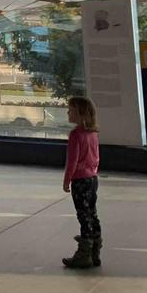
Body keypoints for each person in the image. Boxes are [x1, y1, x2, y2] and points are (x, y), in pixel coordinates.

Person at [62, 96, 101, 270]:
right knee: (92, 213)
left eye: (70, 110)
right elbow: (96, 157)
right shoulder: (93, 133)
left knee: (83, 215)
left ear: (78, 113)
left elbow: (72, 160)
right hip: (92, 179)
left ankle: (84, 253)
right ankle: (95, 248)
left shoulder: (76, 135)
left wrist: (67, 180)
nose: (68, 112)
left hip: (80, 180)